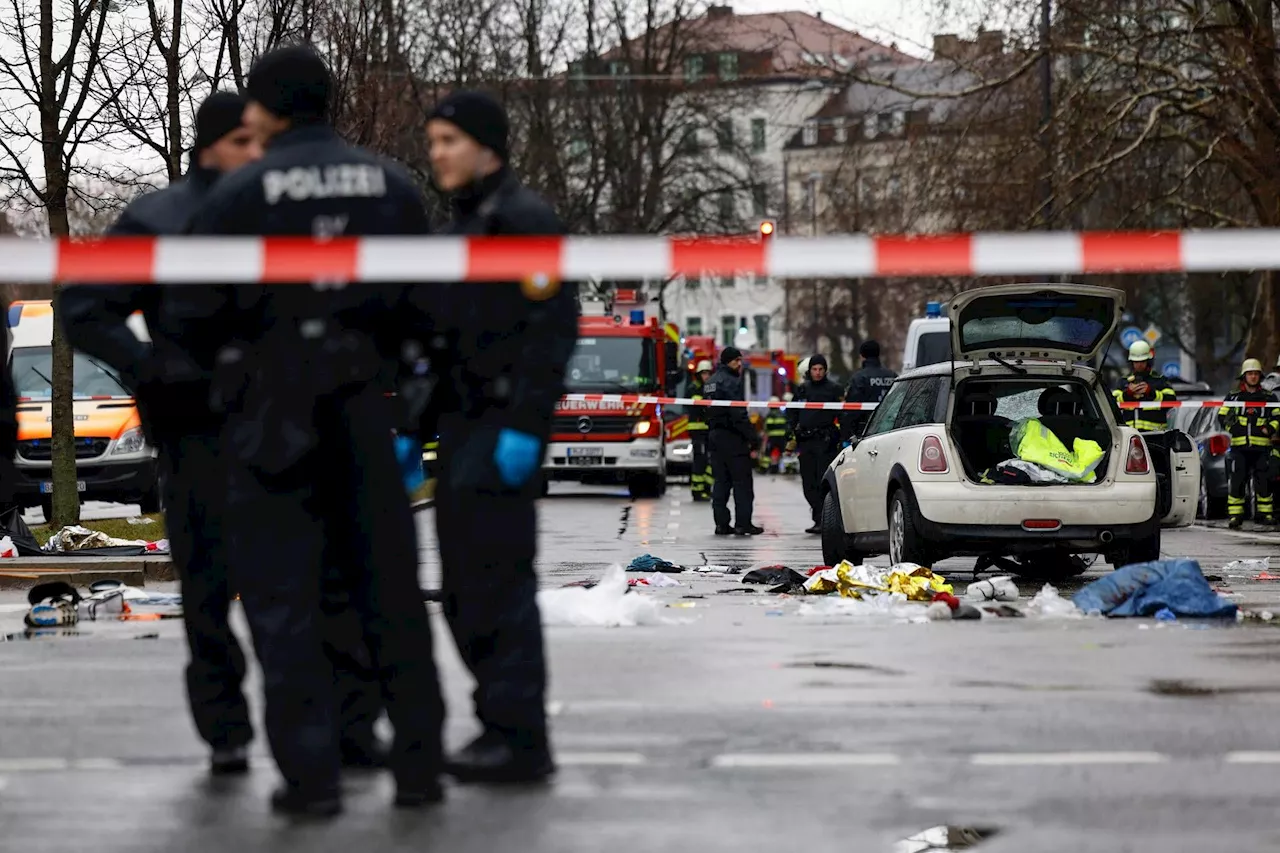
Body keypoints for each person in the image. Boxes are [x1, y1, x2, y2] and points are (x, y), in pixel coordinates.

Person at [186, 46, 445, 816]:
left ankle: (311, 776)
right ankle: (420, 765)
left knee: (283, 601)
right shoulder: (391, 186)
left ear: (265, 109)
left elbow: (198, 311)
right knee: (389, 592)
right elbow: (424, 305)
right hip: (365, 412)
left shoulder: (241, 193)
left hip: (273, 421)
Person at [420, 89, 578, 785]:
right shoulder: (462, 229)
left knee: (499, 587)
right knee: (461, 590)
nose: (437, 154)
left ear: (487, 145)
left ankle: (521, 737)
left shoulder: (521, 219)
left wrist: (526, 426)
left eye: (448, 140)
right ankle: (496, 721)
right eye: (432, 142)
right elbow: (441, 342)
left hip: (501, 426)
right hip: (460, 429)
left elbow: (552, 331)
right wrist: (412, 428)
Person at [705, 347, 761, 535]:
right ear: (728, 361)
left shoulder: (710, 382)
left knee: (721, 482)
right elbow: (738, 414)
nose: (740, 364)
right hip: (733, 439)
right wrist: (753, 437)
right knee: (742, 484)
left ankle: (721, 524)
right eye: (736, 360)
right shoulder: (731, 382)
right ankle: (743, 524)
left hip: (714, 437)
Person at [787, 354, 843, 533]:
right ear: (809, 371)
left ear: (825, 370)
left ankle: (823, 520)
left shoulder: (834, 389)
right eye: (814, 369)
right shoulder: (802, 389)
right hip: (806, 442)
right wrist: (793, 433)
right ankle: (817, 516)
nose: (817, 373)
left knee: (823, 482)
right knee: (808, 483)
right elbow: (792, 412)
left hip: (825, 442)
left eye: (820, 369)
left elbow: (844, 414)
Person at [1221, 359, 1279, 528]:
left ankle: (1265, 514)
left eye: (1256, 374)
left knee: (1264, 482)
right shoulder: (1233, 396)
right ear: (1244, 376)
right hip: (1240, 448)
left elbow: (1277, 416)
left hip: (1262, 448)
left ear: (1260, 377)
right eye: (1250, 374)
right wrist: (1233, 427)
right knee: (1238, 482)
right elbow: (1222, 416)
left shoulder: (1269, 397)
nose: (1253, 377)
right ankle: (1235, 516)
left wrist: (1269, 428)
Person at [1112, 341, 1176, 432]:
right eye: (1136, 362)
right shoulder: (1123, 382)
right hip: (1130, 434)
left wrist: (1151, 392)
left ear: (1148, 361)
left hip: (1156, 434)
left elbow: (1171, 400)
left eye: (1142, 361)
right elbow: (1112, 403)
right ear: (1131, 362)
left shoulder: (1159, 380)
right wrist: (1127, 394)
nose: (1139, 365)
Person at [842, 340, 897, 441]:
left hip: (865, 431)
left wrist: (848, 433)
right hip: (891, 428)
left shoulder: (859, 378)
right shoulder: (892, 376)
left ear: (862, 356)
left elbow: (851, 409)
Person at [687, 360, 713, 501]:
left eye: (708, 373)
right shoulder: (694, 388)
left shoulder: (708, 388)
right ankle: (697, 490)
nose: (706, 376)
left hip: (708, 429)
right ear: (698, 374)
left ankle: (707, 488)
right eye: (704, 373)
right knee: (700, 460)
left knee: (711, 460)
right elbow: (699, 407)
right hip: (697, 430)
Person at [762, 397, 789, 472]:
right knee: (784, 452)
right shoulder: (782, 414)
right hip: (782, 437)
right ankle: (788, 467)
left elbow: (767, 426)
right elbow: (786, 425)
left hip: (772, 437)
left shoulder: (769, 415)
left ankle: (764, 468)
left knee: (767, 453)